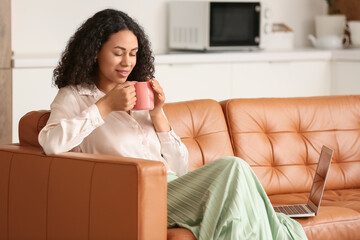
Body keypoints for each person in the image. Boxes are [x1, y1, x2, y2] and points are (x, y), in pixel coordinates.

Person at [38, 9, 307, 240]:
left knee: (238, 189)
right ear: (95, 51)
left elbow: (179, 166)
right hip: (133, 196)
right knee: (234, 168)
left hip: (170, 186)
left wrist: (158, 114)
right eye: (118, 53)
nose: (127, 62)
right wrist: (105, 106)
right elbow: (50, 143)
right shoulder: (75, 96)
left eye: (133, 53)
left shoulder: (139, 92)